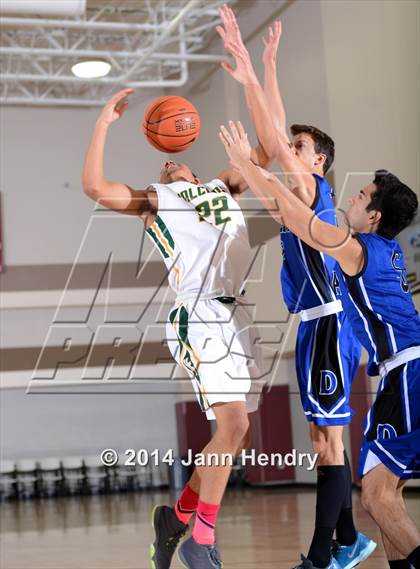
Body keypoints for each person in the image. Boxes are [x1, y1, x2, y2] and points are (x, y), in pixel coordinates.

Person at [82, 87, 275, 569]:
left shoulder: (224, 186)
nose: (165, 167)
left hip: (236, 314)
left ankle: (177, 517)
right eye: (161, 167)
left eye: (172, 165)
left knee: (237, 437)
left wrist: (253, 75)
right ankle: (200, 540)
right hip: (200, 313)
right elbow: (95, 187)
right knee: (234, 425)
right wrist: (103, 123)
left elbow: (268, 150)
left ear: (189, 161)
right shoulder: (156, 200)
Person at [219, 119, 420, 569]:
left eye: (364, 196)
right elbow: (288, 212)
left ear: (375, 217)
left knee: (375, 492)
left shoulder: (355, 248)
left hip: (407, 371)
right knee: (381, 493)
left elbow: (294, 216)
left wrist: (245, 165)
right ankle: (349, 545)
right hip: (396, 372)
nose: (354, 195)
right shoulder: (380, 247)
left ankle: (324, 554)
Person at [216, 5, 375, 568]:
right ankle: (350, 539)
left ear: (319, 161)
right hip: (316, 327)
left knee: (326, 445)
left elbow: (272, 138)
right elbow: (278, 135)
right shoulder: (295, 195)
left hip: (329, 324)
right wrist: (262, 66)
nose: (289, 151)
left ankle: (317, 557)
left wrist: (254, 72)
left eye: (300, 149)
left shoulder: (310, 191)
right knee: (324, 440)